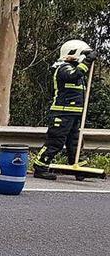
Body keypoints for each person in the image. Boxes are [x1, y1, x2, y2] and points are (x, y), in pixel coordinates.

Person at [33, 40, 99, 180]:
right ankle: (40, 167)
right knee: (56, 141)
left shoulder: (77, 69)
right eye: (83, 54)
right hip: (62, 113)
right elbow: (73, 75)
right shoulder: (63, 68)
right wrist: (87, 61)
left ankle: (78, 168)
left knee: (75, 141)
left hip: (74, 113)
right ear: (73, 53)